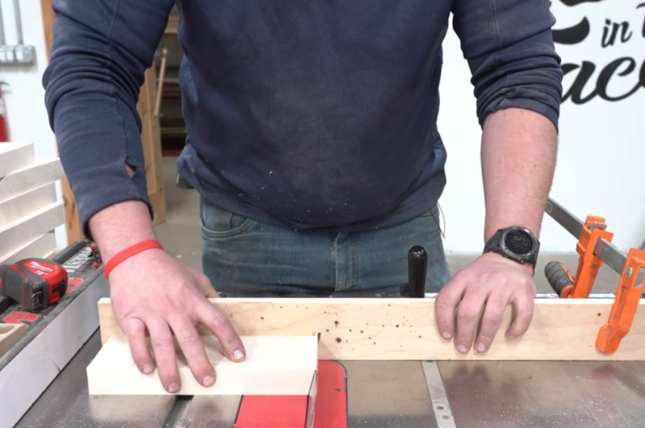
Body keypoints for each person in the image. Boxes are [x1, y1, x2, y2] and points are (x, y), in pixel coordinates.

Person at [43, 0, 562, 393]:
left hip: (402, 227)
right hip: (248, 226)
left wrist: (509, 249)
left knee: (419, 424)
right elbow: (94, 63)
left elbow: (515, 70)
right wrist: (132, 254)